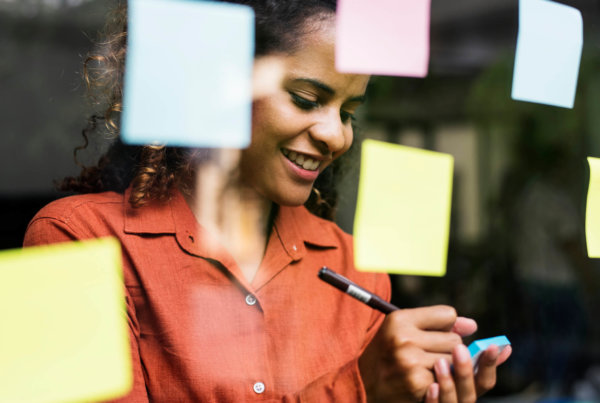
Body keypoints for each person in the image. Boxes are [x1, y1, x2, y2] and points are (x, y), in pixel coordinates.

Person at [24, 0, 511, 401]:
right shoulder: (70, 243)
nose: (335, 135)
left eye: (349, 113)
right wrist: (358, 387)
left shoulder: (354, 264)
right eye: (305, 98)